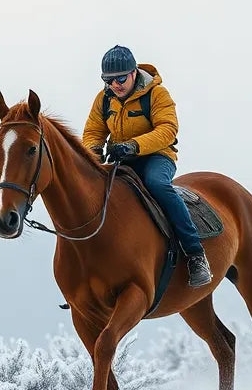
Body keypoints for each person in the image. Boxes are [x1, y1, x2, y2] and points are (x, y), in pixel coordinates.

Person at [81, 45, 213, 288]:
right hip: (122, 158)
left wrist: (132, 146)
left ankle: (196, 255)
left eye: (121, 78)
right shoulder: (104, 99)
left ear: (134, 73)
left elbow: (167, 130)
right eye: (108, 80)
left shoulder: (157, 94)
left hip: (157, 157)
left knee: (157, 185)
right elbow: (93, 132)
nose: (116, 85)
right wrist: (93, 153)